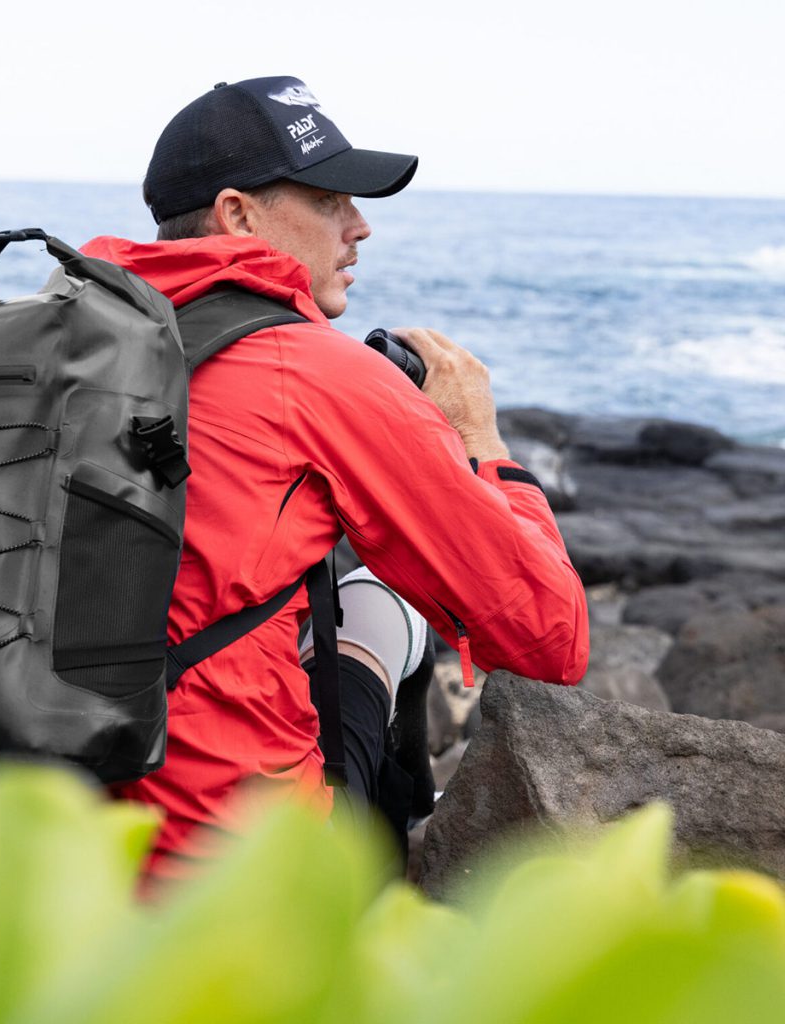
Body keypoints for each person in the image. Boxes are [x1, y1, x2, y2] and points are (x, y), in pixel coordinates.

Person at [82, 76, 589, 891]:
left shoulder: (62, 342)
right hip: (219, 864)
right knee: (386, 611)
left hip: (40, 837)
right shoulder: (313, 370)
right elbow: (547, 637)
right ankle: (376, 909)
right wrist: (477, 438)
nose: (360, 226)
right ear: (237, 215)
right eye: (328, 200)